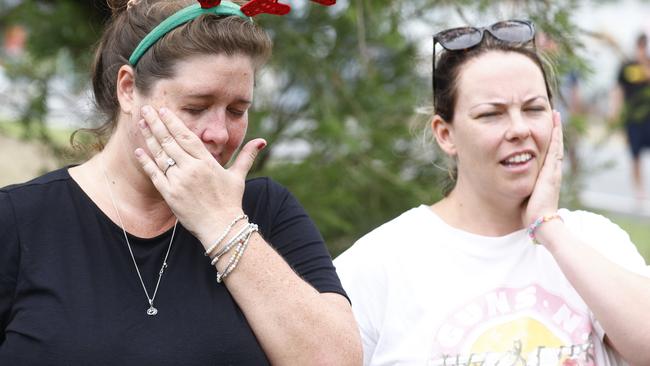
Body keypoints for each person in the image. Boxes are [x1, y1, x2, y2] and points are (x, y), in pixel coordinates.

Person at [0, 0, 362, 365]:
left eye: (237, 111)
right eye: (195, 107)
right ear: (128, 89)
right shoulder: (18, 220)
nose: (219, 133)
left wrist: (223, 225)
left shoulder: (266, 212)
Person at [335, 20, 650, 366]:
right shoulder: (378, 265)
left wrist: (549, 228)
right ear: (445, 134)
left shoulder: (593, 240)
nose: (519, 129)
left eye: (533, 109)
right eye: (491, 114)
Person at [612, 33, 650, 201]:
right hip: (632, 118)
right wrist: (616, 111)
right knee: (635, 155)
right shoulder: (626, 65)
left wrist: (643, 62)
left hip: (648, 117)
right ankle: (639, 192)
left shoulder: (647, 64)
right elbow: (618, 89)